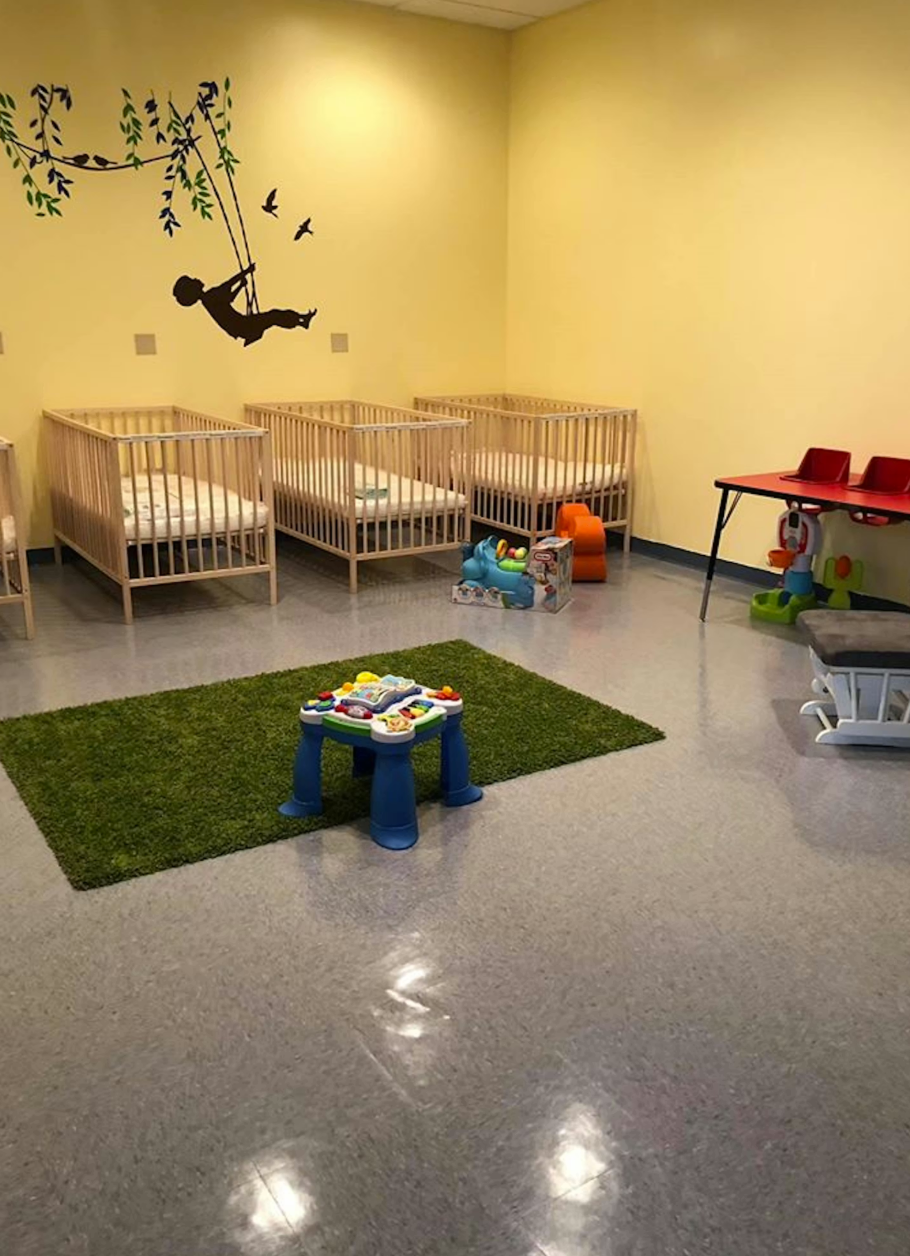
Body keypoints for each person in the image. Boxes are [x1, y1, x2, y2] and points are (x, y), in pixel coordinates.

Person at [172, 263, 316, 346]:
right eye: (193, 280)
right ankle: (301, 320)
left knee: (274, 317)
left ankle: (301, 321)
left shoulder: (209, 301)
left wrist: (241, 285)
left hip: (242, 326)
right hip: (244, 326)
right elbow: (228, 285)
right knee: (274, 316)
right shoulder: (210, 297)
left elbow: (228, 298)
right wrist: (246, 272)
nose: (196, 278)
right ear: (193, 289)